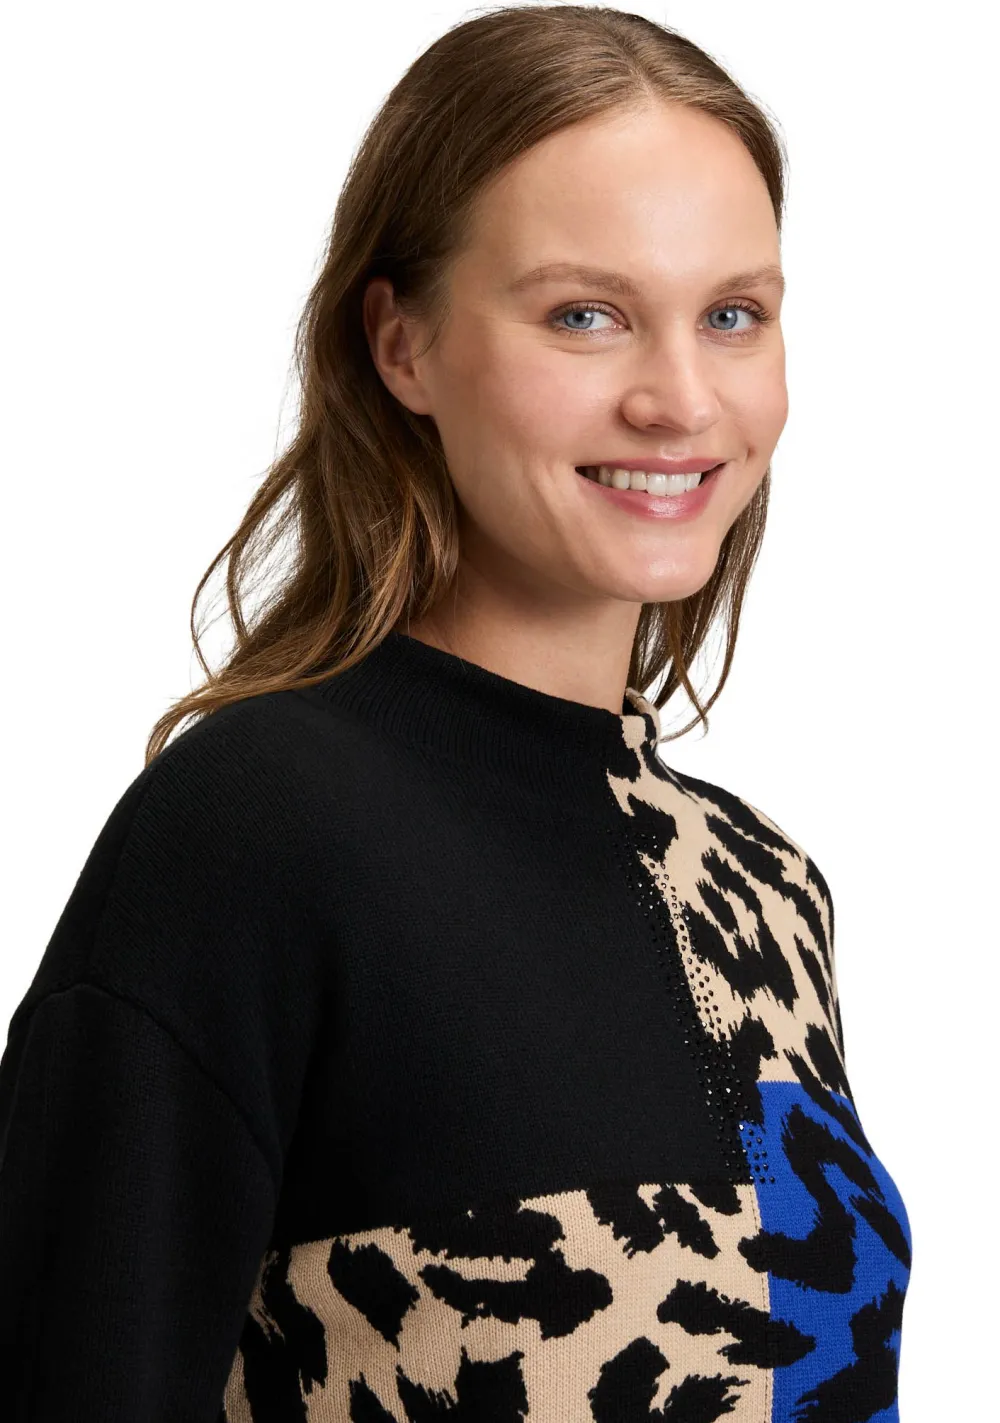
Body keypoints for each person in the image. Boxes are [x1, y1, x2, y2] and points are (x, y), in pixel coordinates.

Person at [0, 6, 911, 1420]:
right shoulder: (253, 832)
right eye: (585, 315)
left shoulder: (766, 890)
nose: (681, 400)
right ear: (402, 345)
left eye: (733, 314)